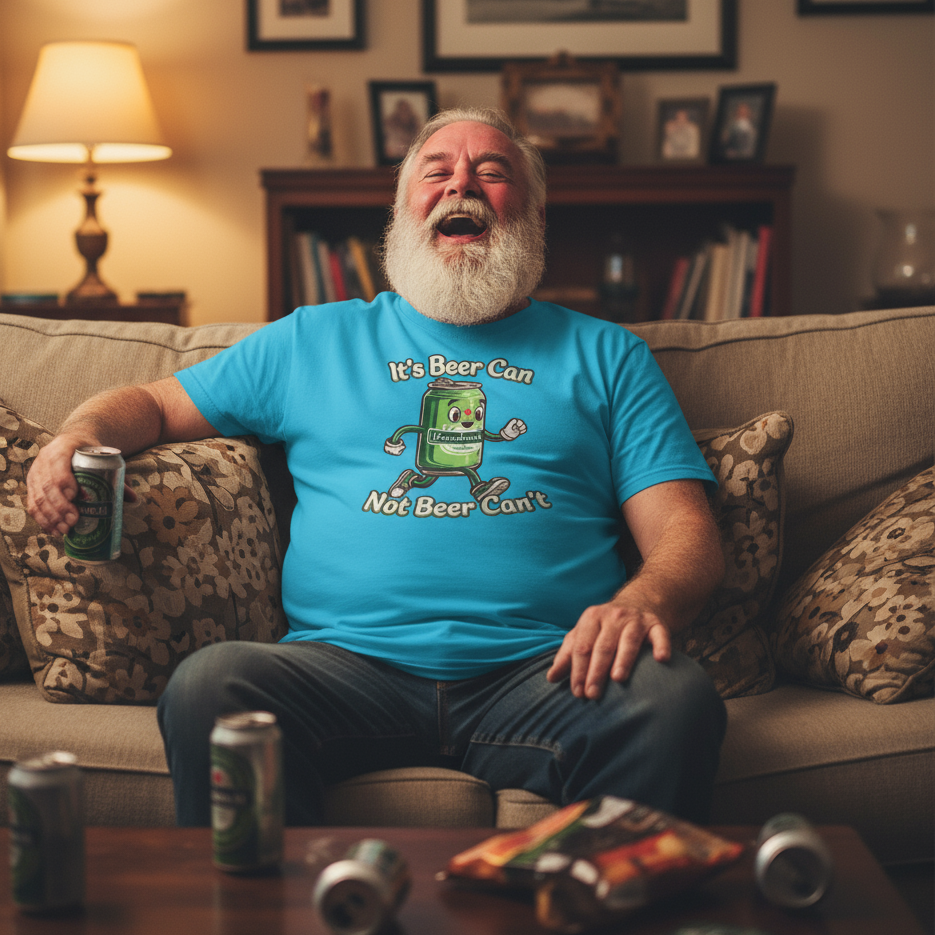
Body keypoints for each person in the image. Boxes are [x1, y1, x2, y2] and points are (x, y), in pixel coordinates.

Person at [26, 107, 727, 828]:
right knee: (211, 683)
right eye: (437, 172)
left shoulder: (608, 356)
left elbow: (684, 531)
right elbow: (152, 404)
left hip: (545, 670)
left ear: (536, 212)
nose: (463, 185)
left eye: (492, 171)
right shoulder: (313, 339)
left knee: (671, 699)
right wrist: (79, 434)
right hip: (341, 670)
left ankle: (605, 901)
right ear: (401, 211)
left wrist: (644, 603)